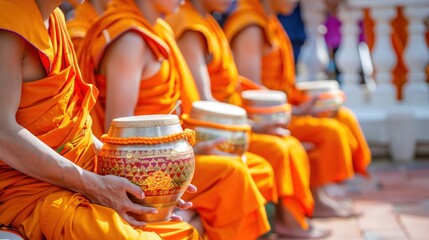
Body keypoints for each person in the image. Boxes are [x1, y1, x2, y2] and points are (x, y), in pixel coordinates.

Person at [0, 0, 200, 239]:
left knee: (179, 231)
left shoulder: (56, 19)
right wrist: (91, 184)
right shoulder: (9, 23)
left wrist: (150, 179)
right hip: (34, 193)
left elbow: (74, 133)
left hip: (78, 177)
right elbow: (3, 135)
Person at [77, 0, 274, 239]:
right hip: (143, 166)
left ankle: (198, 222)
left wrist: (192, 148)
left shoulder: (161, 30)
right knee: (234, 173)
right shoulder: (130, 40)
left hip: (169, 149)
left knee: (254, 166)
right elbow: (120, 138)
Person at [165, 1, 332, 239]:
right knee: (280, 150)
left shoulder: (207, 22)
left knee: (286, 148)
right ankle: (286, 221)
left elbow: (238, 89)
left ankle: (293, 216)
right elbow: (202, 102)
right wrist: (256, 124)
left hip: (227, 120)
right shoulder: (192, 28)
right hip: (212, 128)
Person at [223, 0, 371, 218]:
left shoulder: (269, 20)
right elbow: (252, 97)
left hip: (281, 108)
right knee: (330, 131)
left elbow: (276, 85)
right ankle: (313, 200)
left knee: (343, 117)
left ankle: (321, 193)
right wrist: (298, 111)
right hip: (266, 117)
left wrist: (302, 102)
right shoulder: (251, 27)